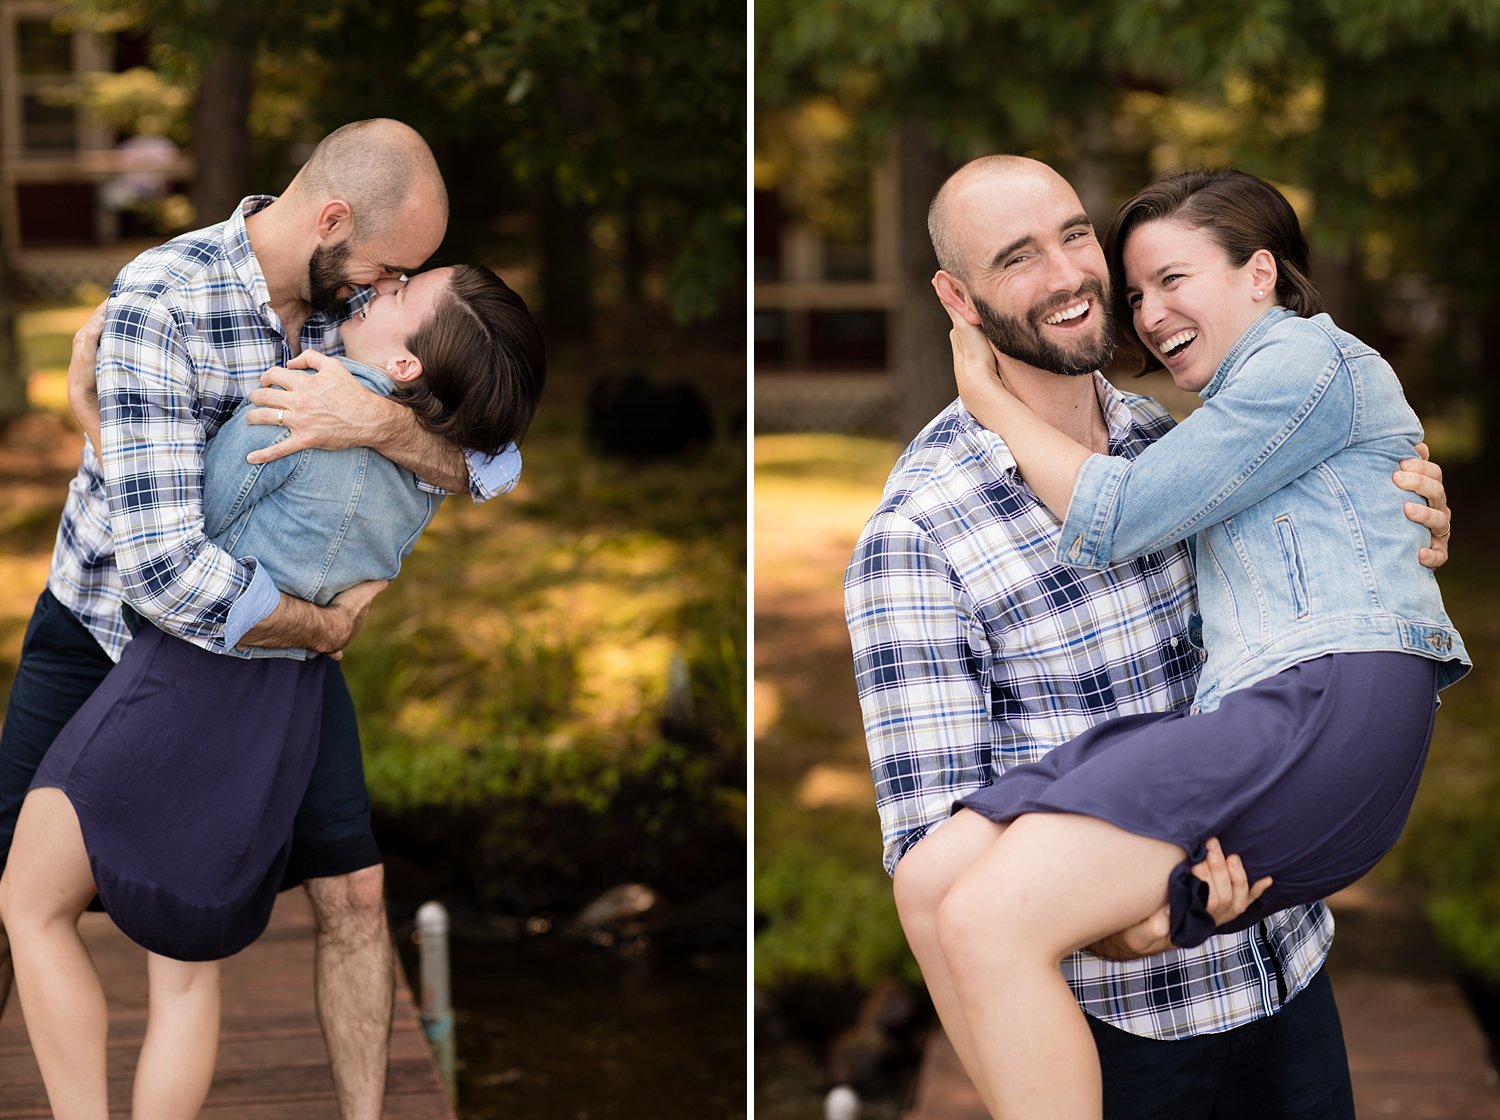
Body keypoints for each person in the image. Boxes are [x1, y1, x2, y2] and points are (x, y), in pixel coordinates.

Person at [844, 155, 1456, 1120]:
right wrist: (1111, 933)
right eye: (1017, 258)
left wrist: (1403, 513)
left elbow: (1310, 558)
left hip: (1280, 973)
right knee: (948, 891)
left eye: (1074, 235)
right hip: (1127, 1034)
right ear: (957, 299)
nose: (1067, 275)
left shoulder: (1166, 438)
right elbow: (932, 845)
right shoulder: (918, 533)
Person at [0, 119, 519, 1119]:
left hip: (265, 660)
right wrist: (318, 626)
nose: (384, 291)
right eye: (386, 269)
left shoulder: (356, 324)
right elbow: (160, 570)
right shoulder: (168, 300)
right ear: (330, 221)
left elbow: (496, 462)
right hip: (109, 628)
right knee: (19, 887)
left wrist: (382, 425)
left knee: (348, 892)